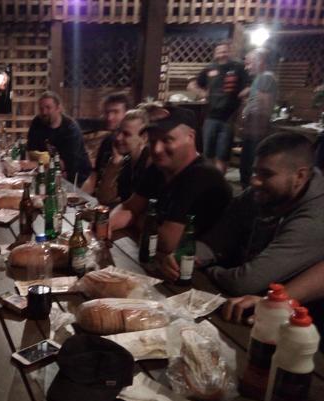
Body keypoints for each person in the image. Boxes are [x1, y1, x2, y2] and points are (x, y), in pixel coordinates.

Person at [108, 107, 231, 279]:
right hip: (161, 262)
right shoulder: (159, 167)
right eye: (153, 141)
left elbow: (167, 242)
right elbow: (130, 206)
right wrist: (106, 225)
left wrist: (139, 217)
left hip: (199, 275)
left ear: (190, 137)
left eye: (167, 140)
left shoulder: (202, 176)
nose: (157, 149)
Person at [196, 132, 324, 296]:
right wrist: (187, 256)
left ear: (300, 176)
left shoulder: (315, 217)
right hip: (242, 295)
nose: (254, 181)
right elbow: (217, 239)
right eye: (255, 171)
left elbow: (245, 282)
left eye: (267, 174)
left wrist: (208, 269)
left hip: (284, 307)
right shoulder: (260, 194)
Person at [188, 40, 248, 173]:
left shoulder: (238, 68)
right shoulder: (210, 68)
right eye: (219, 51)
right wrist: (203, 93)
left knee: (222, 155)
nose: (222, 54)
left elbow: (248, 85)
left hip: (229, 119)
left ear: (230, 52)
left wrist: (243, 95)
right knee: (207, 153)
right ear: (215, 53)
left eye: (225, 51)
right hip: (210, 117)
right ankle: (209, 179)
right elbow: (192, 85)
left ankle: (219, 180)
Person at [27, 91, 91, 185]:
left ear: (58, 108)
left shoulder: (70, 129)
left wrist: (39, 163)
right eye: (41, 109)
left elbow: (68, 163)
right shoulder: (37, 122)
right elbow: (31, 150)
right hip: (48, 172)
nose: (44, 112)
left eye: (48, 108)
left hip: (75, 176)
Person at [240, 48, 278, 187]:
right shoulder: (261, 78)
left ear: (260, 61)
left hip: (256, 132)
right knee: (247, 166)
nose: (246, 67)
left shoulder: (265, 78)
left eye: (249, 63)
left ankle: (249, 195)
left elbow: (264, 106)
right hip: (253, 130)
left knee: (249, 167)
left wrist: (252, 123)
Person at [81, 93, 129, 197]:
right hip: (98, 198)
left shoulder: (131, 146)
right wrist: (80, 195)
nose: (109, 117)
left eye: (115, 112)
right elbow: (95, 174)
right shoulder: (108, 141)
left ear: (127, 114)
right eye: (107, 112)